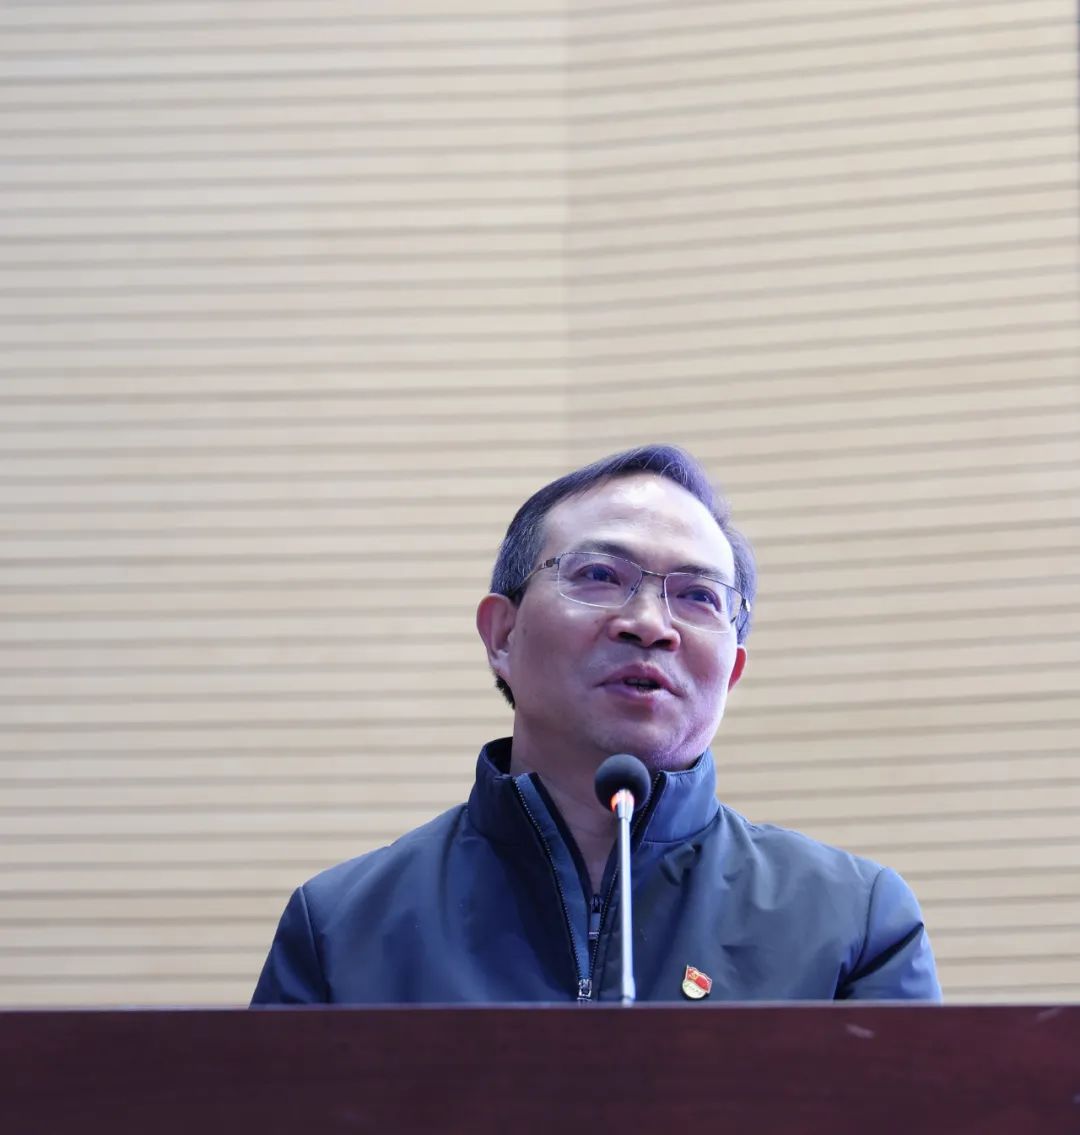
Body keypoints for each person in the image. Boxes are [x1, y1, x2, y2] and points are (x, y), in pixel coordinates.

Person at [252, 444, 940, 1004]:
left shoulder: (854, 923)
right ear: (502, 635)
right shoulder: (342, 929)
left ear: (731, 671)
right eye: (600, 575)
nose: (649, 624)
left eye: (699, 596)